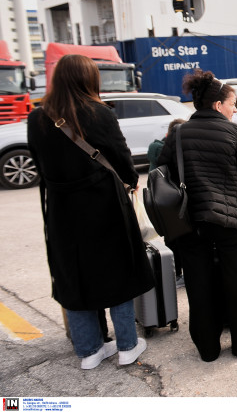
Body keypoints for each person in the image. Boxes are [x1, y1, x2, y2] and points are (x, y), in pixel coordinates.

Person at [27, 54, 153, 370]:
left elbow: (39, 163)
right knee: (118, 270)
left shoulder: (37, 118)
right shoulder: (99, 114)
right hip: (104, 206)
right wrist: (132, 181)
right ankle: (126, 346)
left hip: (62, 210)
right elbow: (123, 160)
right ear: (89, 80)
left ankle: (89, 351)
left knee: (73, 274)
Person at [157, 69, 237, 361]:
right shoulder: (233, 132)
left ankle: (208, 349)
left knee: (199, 284)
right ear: (217, 105)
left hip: (190, 222)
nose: (234, 108)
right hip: (231, 219)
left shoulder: (178, 134)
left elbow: (162, 173)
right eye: (231, 104)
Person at [146, 117, 188, 288]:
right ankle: (181, 273)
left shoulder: (156, 149)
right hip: (177, 201)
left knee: (170, 238)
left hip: (162, 204)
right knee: (183, 238)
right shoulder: (176, 150)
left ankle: (174, 273)